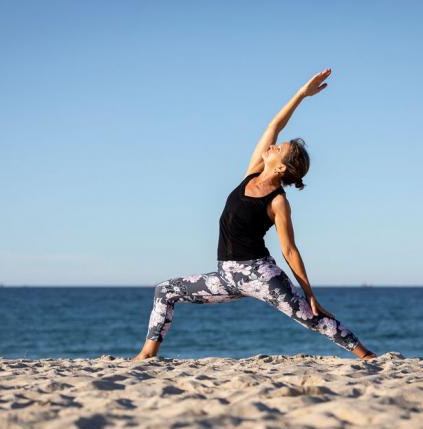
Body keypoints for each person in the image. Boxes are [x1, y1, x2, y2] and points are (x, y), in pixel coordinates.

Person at [132, 68, 376, 361]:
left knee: (310, 317)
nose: (272, 145)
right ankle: (148, 353)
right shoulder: (251, 173)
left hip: (261, 275)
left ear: (282, 167)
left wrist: (310, 293)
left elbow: (289, 249)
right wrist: (301, 95)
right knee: (165, 291)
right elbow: (274, 125)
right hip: (226, 275)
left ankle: (366, 356)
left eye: (279, 149)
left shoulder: (278, 202)